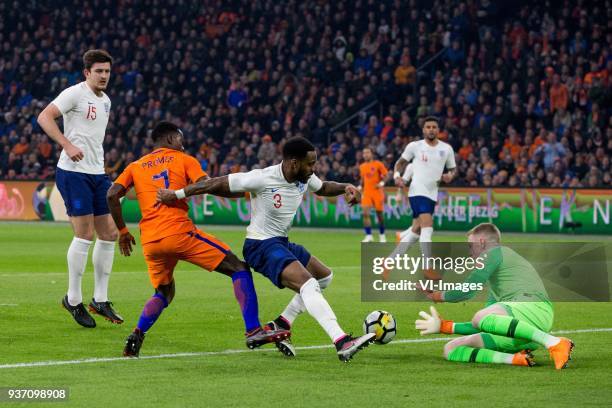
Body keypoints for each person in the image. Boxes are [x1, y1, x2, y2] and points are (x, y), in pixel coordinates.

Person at [157, 136, 376, 362]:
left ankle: (281, 323)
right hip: (260, 245)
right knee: (308, 284)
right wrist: (177, 194)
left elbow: (323, 187)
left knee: (324, 277)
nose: (314, 168)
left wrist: (346, 187)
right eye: (310, 164)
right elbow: (215, 183)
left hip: (280, 242)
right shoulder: (262, 178)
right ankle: (341, 341)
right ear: (293, 163)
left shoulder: (304, 176)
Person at [106, 121, 289, 357]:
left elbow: (112, 194)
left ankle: (137, 335)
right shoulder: (184, 159)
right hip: (178, 232)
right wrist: (245, 190)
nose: (183, 144)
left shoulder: (135, 165)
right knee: (239, 267)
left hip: (150, 240)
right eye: (180, 139)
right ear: (171, 139)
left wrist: (122, 231)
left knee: (164, 292)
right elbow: (208, 185)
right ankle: (253, 330)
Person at [37, 49, 122, 328]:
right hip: (73, 173)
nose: (104, 76)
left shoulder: (106, 101)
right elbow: (44, 117)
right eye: (99, 71)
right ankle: (73, 299)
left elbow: (93, 137)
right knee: (84, 235)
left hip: (97, 173)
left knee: (109, 233)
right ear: (87, 73)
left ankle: (100, 299)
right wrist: (67, 145)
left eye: (107, 71)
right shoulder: (74, 93)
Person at [414, 223, 574, 369]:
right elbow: (483, 324)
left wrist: (437, 295)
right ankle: (515, 359)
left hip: (536, 309)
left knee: (480, 316)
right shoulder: (499, 282)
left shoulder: (495, 253)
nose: (470, 253)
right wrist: (445, 327)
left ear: (482, 243)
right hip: (525, 331)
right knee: (451, 349)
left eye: (471, 246)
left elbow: (467, 291)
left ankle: (554, 342)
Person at [388, 116, 456, 279]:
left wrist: (449, 176)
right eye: (428, 127)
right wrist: (397, 175)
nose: (431, 129)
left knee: (416, 232)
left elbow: (452, 169)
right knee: (428, 226)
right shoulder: (415, 146)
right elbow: (400, 163)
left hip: (432, 193)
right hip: (417, 190)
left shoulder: (446, 149)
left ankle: (388, 263)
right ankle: (427, 267)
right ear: (423, 130)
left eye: (434, 127)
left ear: (438, 130)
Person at [359, 147, 388, 242]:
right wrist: (360, 186)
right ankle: (368, 235)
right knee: (365, 213)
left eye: (367, 152)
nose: (365, 154)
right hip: (367, 192)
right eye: (364, 153)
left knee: (379, 214)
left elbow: (386, 175)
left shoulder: (378, 164)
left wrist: (382, 183)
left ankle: (382, 235)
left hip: (377, 192)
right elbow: (363, 180)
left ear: (372, 154)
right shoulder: (362, 166)